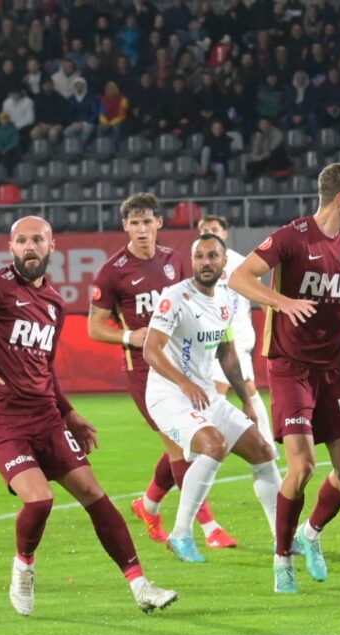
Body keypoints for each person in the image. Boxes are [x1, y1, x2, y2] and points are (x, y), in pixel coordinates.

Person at [0, 215, 177, 616]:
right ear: (11, 248)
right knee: (40, 500)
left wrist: (70, 415)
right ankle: (24, 568)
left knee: (96, 497)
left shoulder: (56, 303)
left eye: (37, 240)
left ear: (51, 246)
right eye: (22, 241)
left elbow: (46, 369)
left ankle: (140, 585)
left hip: (44, 415)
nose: (30, 247)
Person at [229, 163, 340, 593]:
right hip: (290, 367)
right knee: (302, 467)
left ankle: (312, 533)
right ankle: (282, 557)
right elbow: (240, 276)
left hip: (336, 371)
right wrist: (282, 301)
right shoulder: (291, 237)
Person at [88, 193, 237, 550]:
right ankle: (209, 527)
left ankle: (149, 505)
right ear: (125, 226)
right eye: (133, 223)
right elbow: (94, 327)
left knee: (183, 443)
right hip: (144, 372)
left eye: (146, 221)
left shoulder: (174, 261)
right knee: (183, 448)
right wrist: (128, 335)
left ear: (158, 223)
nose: (141, 229)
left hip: (184, 365)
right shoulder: (112, 271)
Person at [143, 234, 282, 563]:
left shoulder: (224, 301)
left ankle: (284, 538)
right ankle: (181, 534)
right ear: (192, 262)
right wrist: (183, 382)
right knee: (214, 445)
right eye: (200, 256)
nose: (206, 262)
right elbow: (151, 349)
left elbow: (226, 352)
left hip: (206, 396)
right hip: (168, 396)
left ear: (224, 263)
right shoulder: (175, 297)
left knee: (263, 452)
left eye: (213, 256)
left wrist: (246, 398)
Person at [197, 215, 275, 447]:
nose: (208, 233)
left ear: (224, 234)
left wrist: (275, 324)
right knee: (248, 388)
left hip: (236, 338)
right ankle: (266, 442)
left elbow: (260, 295)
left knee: (216, 391)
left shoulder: (241, 264)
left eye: (213, 229)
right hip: (213, 338)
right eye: (203, 229)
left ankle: (208, 444)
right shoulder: (202, 265)